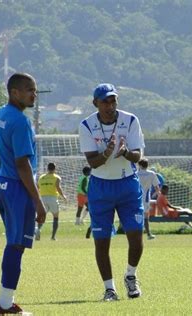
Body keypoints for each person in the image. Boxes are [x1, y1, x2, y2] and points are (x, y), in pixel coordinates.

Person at [78, 83, 145, 301]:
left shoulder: (130, 120)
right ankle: (110, 289)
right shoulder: (86, 125)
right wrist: (106, 153)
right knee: (102, 240)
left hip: (127, 184)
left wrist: (125, 151)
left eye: (113, 100)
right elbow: (93, 163)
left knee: (135, 235)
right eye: (105, 101)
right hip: (100, 187)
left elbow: (139, 156)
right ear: (95, 103)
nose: (110, 105)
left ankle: (130, 276)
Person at [0, 73, 47, 314]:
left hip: (1, 182)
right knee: (16, 245)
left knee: (14, 243)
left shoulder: (1, 114)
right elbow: (23, 163)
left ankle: (6, 301)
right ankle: (5, 305)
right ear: (14, 92)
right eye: (28, 89)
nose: (33, 94)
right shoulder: (21, 121)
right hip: (17, 187)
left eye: (34, 89)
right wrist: (38, 201)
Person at [36, 162, 67, 241]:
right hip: (52, 198)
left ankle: (38, 230)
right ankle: (53, 237)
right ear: (54, 169)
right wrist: (63, 196)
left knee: (42, 216)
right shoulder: (56, 177)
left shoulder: (41, 177)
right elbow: (58, 187)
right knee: (55, 217)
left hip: (42, 198)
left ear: (47, 168)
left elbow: (37, 187)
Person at [137, 158, 161, 240]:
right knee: (146, 216)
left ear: (139, 165)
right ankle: (148, 234)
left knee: (137, 215)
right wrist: (157, 194)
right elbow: (157, 187)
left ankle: (136, 234)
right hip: (146, 198)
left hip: (136, 197)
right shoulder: (151, 174)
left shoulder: (135, 174)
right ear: (147, 165)